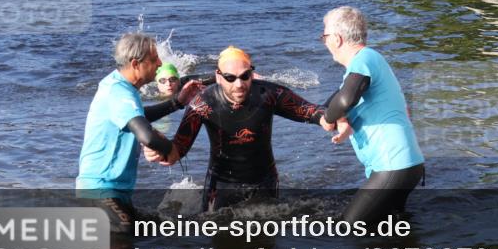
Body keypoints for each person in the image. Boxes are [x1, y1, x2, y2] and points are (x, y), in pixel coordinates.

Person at [148, 46, 327, 213]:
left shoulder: (269, 95)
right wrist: (158, 148)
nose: (239, 84)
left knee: (267, 238)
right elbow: (178, 149)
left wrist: (329, 118)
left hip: (264, 180)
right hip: (221, 184)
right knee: (216, 233)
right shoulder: (203, 104)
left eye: (245, 76)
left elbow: (310, 111)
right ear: (218, 77)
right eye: (230, 78)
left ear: (252, 74)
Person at [76, 32, 203, 233]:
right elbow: (146, 135)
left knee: (166, 227)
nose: (160, 63)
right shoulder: (118, 93)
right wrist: (171, 149)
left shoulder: (119, 85)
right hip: (99, 190)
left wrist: (177, 103)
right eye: (154, 59)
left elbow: (140, 116)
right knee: (123, 238)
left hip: (115, 192)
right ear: (136, 64)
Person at [319, 6, 425, 225]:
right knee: (390, 230)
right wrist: (337, 117)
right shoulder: (368, 63)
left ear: (337, 39)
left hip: (393, 166)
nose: (324, 42)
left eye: (324, 36)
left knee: (350, 227)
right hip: (406, 165)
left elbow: (345, 101)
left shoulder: (364, 60)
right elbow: (334, 102)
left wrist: (330, 119)